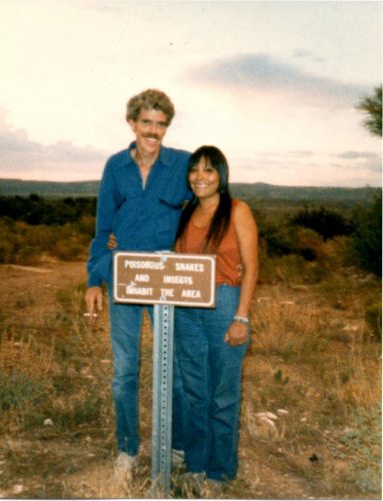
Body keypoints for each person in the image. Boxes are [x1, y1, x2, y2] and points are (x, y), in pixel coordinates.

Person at [85, 89, 191, 474]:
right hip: (126, 277)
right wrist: (94, 279)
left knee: (176, 369)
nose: (154, 131)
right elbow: (103, 226)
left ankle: (178, 448)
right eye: (147, 122)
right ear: (132, 123)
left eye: (161, 124)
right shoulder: (115, 166)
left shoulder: (182, 163)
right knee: (125, 370)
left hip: (167, 278)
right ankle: (127, 451)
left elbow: (207, 202)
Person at [173, 145, 258, 493]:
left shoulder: (237, 211)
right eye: (195, 170)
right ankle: (195, 465)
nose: (200, 177)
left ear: (221, 176)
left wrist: (242, 317)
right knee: (195, 391)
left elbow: (251, 268)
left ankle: (219, 473)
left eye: (209, 170)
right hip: (186, 309)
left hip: (225, 304)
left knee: (223, 393)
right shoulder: (185, 212)